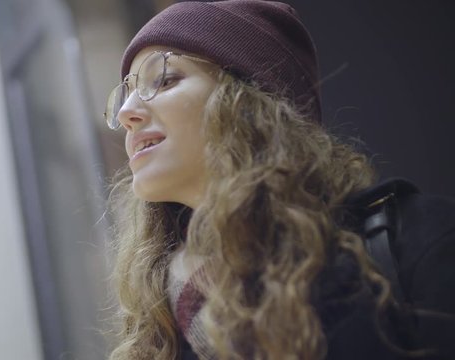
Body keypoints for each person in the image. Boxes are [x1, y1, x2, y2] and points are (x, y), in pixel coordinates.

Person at [103, 1, 455, 359]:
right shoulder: (156, 331)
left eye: (163, 79)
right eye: (126, 93)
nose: (127, 112)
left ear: (248, 102)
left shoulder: (413, 240)